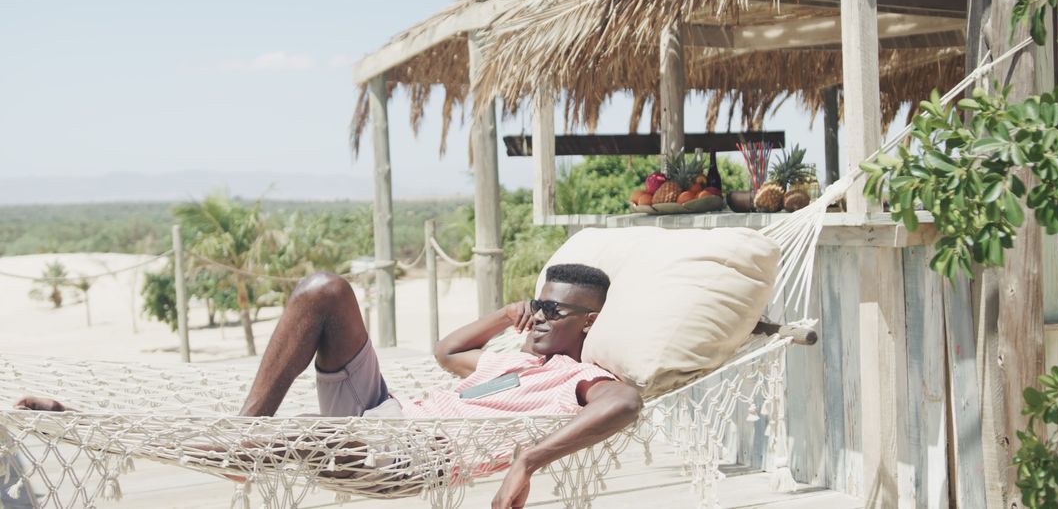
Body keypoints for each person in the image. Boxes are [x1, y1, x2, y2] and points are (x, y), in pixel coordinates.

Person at [15, 263, 642, 509]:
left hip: (409, 457)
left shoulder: (578, 378)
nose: (540, 317)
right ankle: (241, 440)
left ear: (590, 323)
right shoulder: (508, 356)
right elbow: (448, 351)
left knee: (287, 445)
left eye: (555, 312)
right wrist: (511, 315)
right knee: (325, 291)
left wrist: (528, 460)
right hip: (382, 411)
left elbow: (626, 404)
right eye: (539, 303)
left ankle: (95, 421)